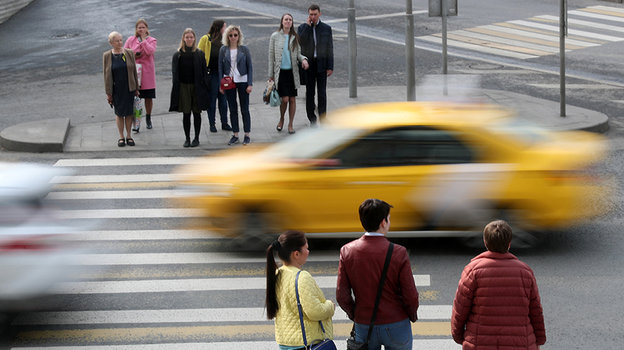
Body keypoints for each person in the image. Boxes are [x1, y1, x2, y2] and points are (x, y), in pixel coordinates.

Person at [336, 199, 419, 350]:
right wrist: (412, 315)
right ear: (383, 222)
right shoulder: (398, 252)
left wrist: (356, 315)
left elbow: (342, 296)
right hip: (396, 323)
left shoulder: (347, 251)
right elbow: (410, 295)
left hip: (364, 324)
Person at [451, 220, 546, 350]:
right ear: (509, 243)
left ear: (485, 242)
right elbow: (535, 310)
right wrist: (539, 339)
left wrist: (458, 335)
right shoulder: (525, 272)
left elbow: (460, 309)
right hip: (519, 343)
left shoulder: (473, 271)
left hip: (480, 343)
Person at [265, 230, 335, 349]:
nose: (308, 252)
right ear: (296, 254)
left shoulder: (277, 273)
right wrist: (330, 306)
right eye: (306, 248)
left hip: (285, 341)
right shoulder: (302, 277)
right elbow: (314, 312)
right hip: (304, 343)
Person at [168, 28, 210, 148]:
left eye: (191, 37)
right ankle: (187, 138)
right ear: (183, 39)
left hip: (197, 87)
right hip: (183, 87)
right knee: (186, 113)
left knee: (197, 113)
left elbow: (204, 72)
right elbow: (175, 74)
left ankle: (196, 138)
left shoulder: (199, 54)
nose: (189, 39)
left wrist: (205, 88)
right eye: (187, 37)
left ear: (194, 39)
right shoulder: (178, 55)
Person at [269, 13, 309, 134]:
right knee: (284, 99)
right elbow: (271, 57)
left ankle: (290, 124)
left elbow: (298, 54)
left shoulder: (294, 37)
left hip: (292, 73)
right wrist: (270, 75)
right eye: (286, 19)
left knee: (292, 99)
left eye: (290, 20)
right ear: (282, 22)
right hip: (280, 73)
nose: (288, 21)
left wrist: (304, 60)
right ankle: (282, 119)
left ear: (292, 23)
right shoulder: (275, 36)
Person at [297, 4, 333, 126]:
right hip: (309, 65)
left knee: (322, 93)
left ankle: (323, 117)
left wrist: (330, 66)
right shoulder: (302, 27)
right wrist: (308, 26)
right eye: (311, 14)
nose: (313, 17)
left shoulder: (326, 28)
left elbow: (330, 48)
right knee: (310, 93)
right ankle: (312, 118)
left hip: (322, 64)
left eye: (315, 14)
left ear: (319, 14)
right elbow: (300, 42)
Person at [219, 25, 253, 146]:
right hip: (229, 82)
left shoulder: (244, 49)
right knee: (232, 109)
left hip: (243, 80)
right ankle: (235, 134)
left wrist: (250, 84)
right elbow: (220, 68)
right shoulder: (223, 50)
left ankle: (247, 134)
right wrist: (221, 85)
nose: (233, 37)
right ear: (227, 36)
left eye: (235, 35)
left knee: (245, 108)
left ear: (239, 36)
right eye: (231, 35)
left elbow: (250, 67)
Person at [103, 31, 139, 148]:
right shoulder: (107, 56)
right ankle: (121, 136)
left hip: (129, 88)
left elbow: (134, 71)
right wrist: (108, 93)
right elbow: (106, 75)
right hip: (116, 89)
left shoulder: (129, 53)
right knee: (119, 114)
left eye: (121, 40)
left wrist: (137, 88)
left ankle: (129, 136)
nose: (120, 42)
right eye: (117, 41)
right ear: (111, 43)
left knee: (129, 113)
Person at [198, 20, 232, 133]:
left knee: (223, 100)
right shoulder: (206, 39)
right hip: (211, 74)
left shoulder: (226, 40)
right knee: (212, 99)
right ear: (219, 28)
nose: (226, 29)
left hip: (224, 74)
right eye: (224, 27)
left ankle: (225, 123)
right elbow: (199, 55)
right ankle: (212, 124)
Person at [124, 18, 157, 132]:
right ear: (136, 29)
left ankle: (148, 118)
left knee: (148, 98)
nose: (141, 29)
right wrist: (135, 54)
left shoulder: (152, 40)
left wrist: (143, 40)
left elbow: (149, 52)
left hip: (147, 73)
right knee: (136, 99)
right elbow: (126, 53)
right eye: (139, 28)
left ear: (147, 29)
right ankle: (136, 122)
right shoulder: (131, 39)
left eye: (143, 27)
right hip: (135, 73)